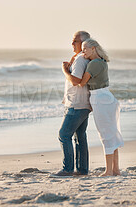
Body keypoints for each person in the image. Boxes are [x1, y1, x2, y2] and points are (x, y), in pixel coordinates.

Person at [76, 38, 124, 176]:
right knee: (112, 134)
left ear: (93, 49)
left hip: (100, 99)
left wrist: (67, 71)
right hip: (106, 98)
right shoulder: (102, 62)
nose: (82, 51)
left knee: (106, 135)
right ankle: (115, 170)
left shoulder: (94, 64)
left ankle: (109, 171)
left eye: (85, 48)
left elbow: (81, 83)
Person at [52, 31, 91, 177]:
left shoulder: (81, 59)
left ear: (83, 44)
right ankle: (82, 169)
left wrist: (64, 71)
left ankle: (67, 169)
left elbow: (75, 81)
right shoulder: (82, 58)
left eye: (75, 41)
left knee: (64, 134)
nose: (72, 43)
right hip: (83, 103)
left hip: (76, 104)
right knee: (80, 136)